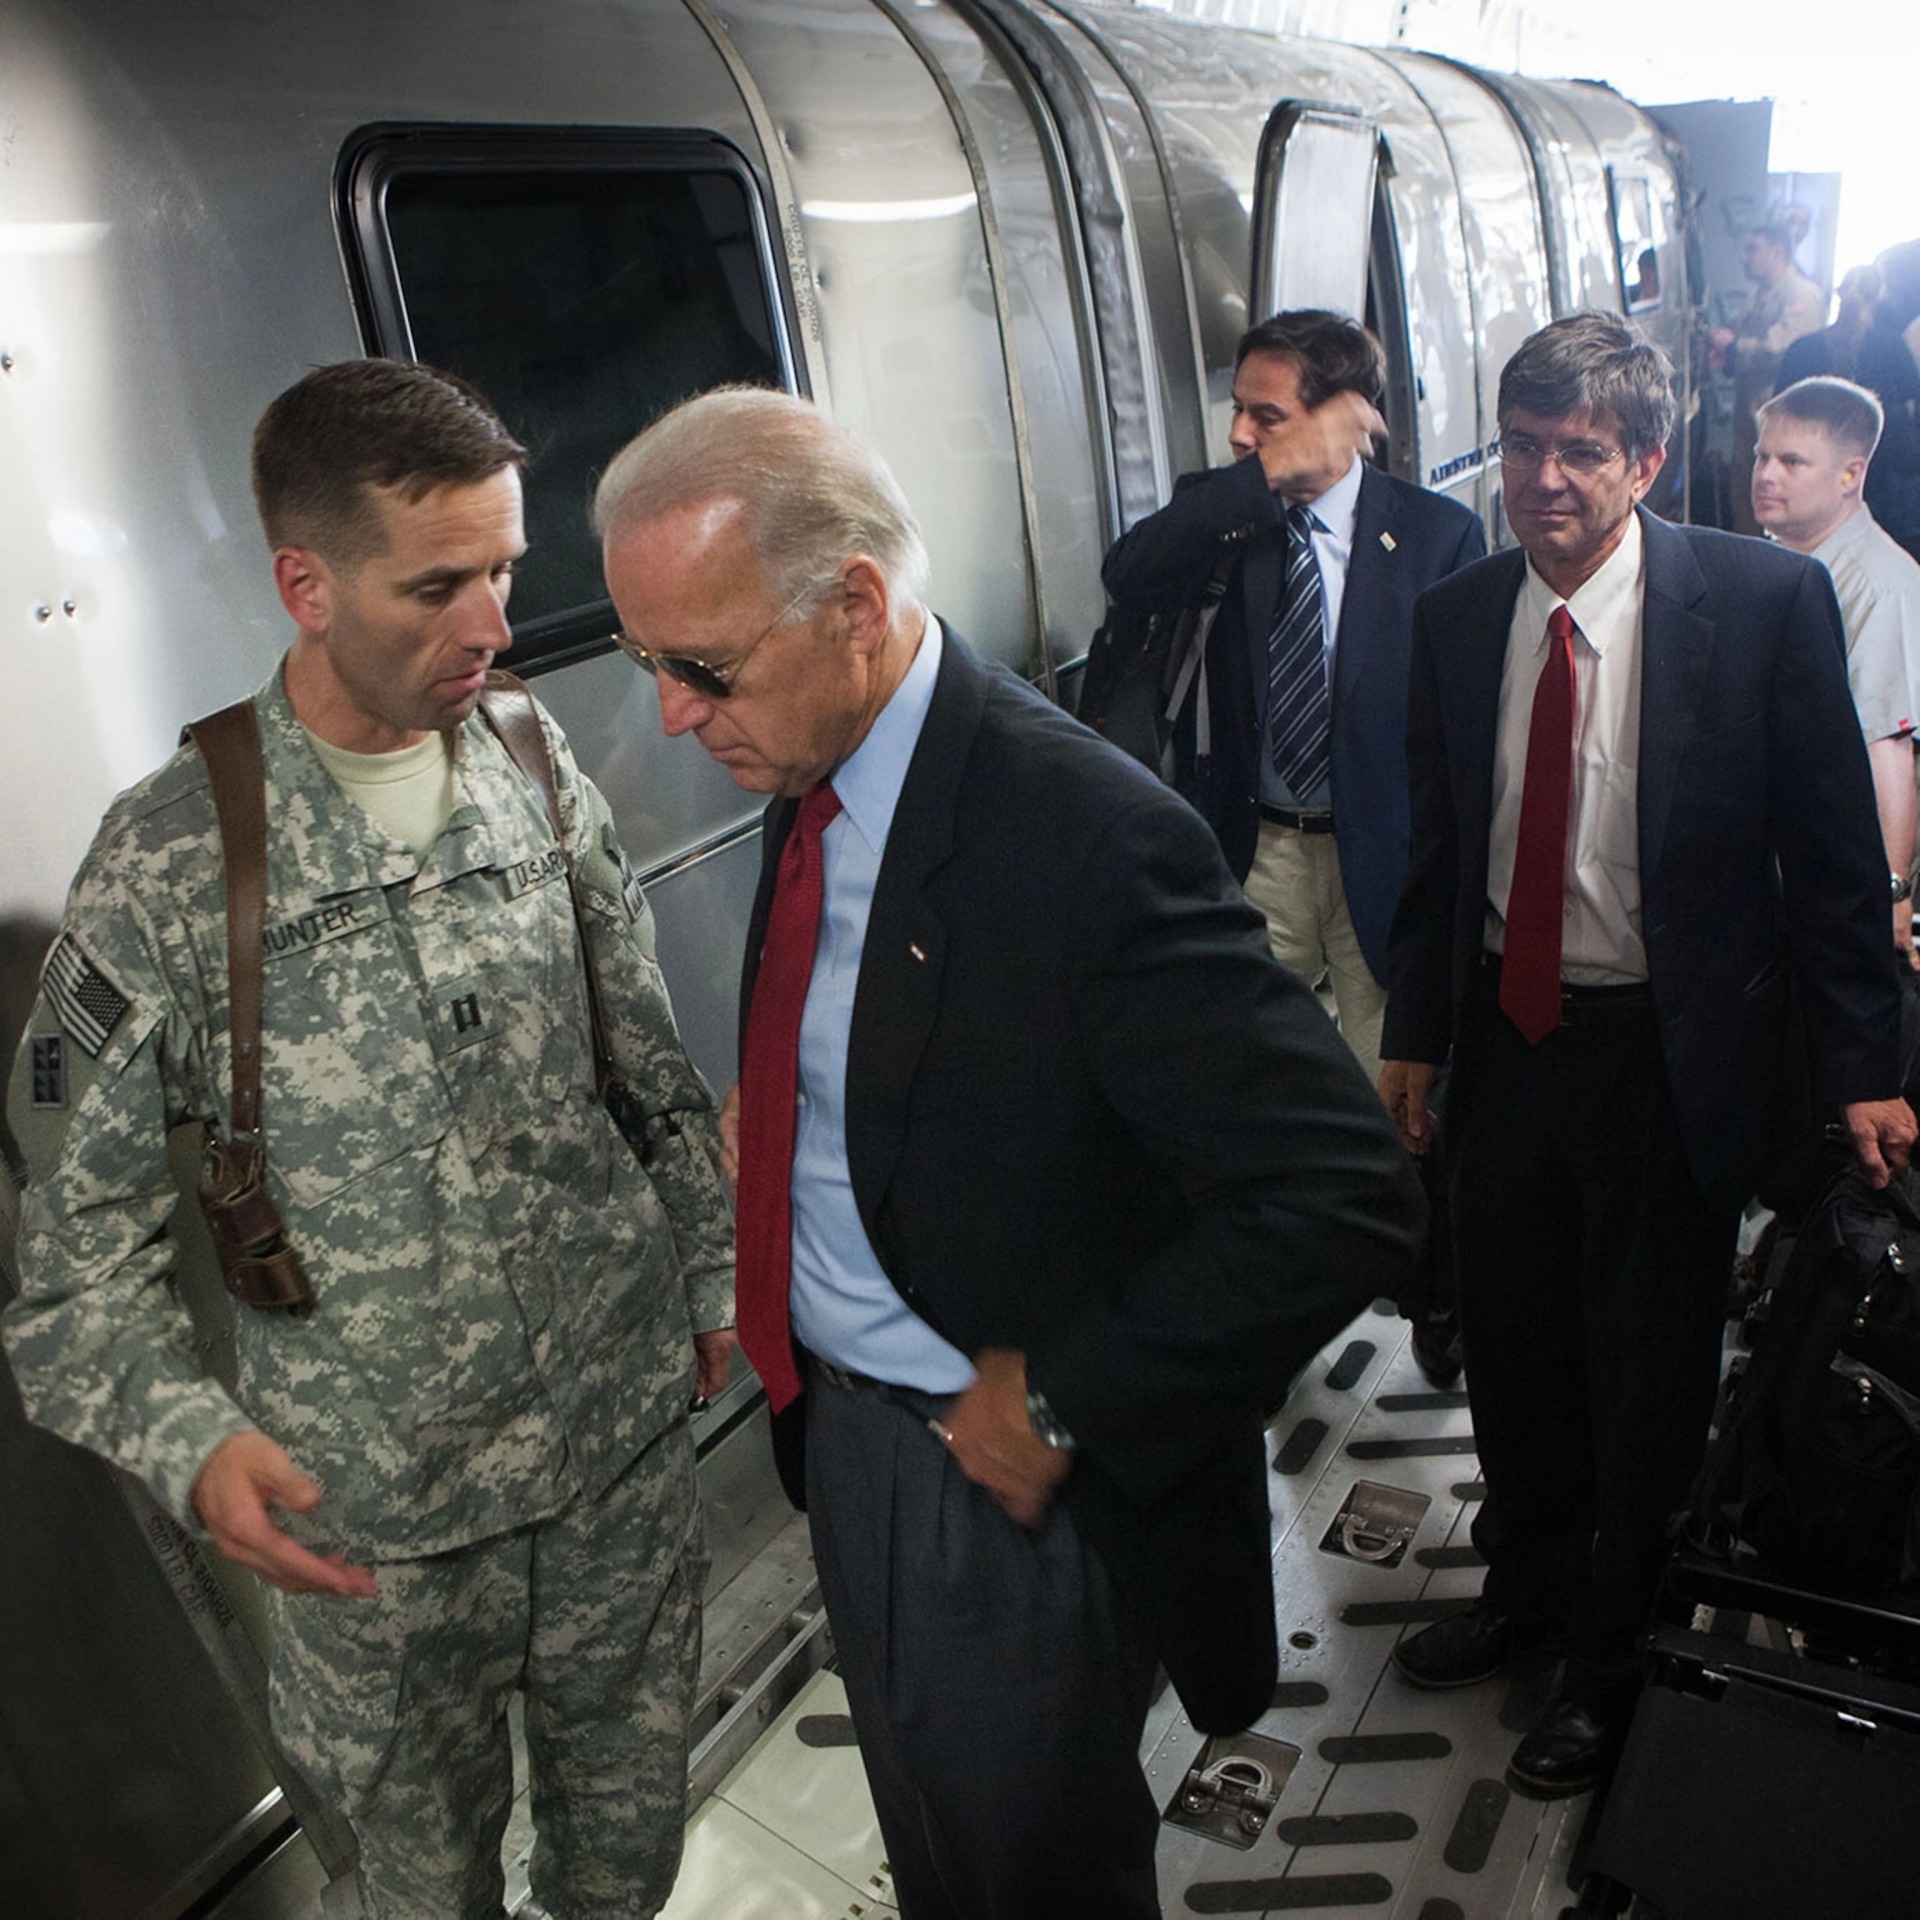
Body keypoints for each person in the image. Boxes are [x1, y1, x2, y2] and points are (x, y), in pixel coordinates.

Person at [595, 385, 1424, 1919]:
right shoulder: (815, 748)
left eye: (700, 668)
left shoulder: (1084, 833)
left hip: (992, 1475)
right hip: (840, 1424)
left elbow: (1340, 1194)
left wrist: (1058, 1394)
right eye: (654, 663)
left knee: (1021, 1877)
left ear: (853, 606)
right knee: (938, 1846)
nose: (670, 713)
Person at [2, 360, 735, 1918]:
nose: (491, 624)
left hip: (617, 1467)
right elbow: (72, 1275)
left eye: (505, 573)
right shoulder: (170, 861)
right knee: (421, 1896)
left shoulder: (536, 770)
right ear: (306, 584)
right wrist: (196, 1449)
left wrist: (714, 1284)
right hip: (384, 1543)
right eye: (438, 585)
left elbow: (652, 1079)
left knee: (626, 1869)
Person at [1377, 313, 1914, 1801]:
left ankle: (1615, 1657)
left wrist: (1863, 1068)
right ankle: (1531, 1590)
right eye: (1525, 448)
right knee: (1517, 1350)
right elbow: (1442, 854)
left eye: (1582, 455)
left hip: (1668, 1059)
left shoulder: (1758, 605)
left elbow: (1832, 858)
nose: (1544, 482)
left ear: (1650, 460)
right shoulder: (1460, 612)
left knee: (1650, 1373)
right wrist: (1414, 1035)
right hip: (1507, 1043)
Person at [1100, 309, 1485, 1088]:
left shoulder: (1438, 535)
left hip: (1382, 854)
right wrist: (1268, 475)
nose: (1240, 434)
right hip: (1260, 850)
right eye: (1237, 410)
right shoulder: (1227, 514)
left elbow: (1463, 728)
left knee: (1394, 1096)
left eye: (1266, 417)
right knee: (1254, 1080)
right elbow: (1128, 574)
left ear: (1336, 419)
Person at [1753, 376, 1920, 966]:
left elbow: (1889, 748)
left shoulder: (1877, 587)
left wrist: (1891, 893)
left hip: (1840, 894)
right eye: (1762, 456)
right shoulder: (1776, 560)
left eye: (1791, 461)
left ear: (1851, 475)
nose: (1767, 474)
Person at [1710, 223, 1829, 535]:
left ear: (1777, 252)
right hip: (1750, 417)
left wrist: (1733, 347)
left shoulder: (1801, 295)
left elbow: (1781, 347)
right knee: (1745, 501)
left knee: (1777, 506)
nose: (1744, 258)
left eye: (1753, 250)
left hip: (1782, 421)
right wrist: (1727, 357)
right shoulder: (1758, 297)